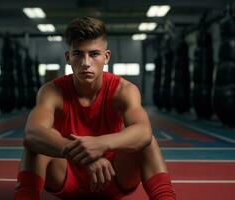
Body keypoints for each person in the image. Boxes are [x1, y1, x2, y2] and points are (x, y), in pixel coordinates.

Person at [14, 17, 176, 200]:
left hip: (113, 177)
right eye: (78, 54)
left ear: (106, 57)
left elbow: (144, 132)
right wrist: (85, 156)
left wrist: (100, 144)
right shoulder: (52, 91)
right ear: (68, 58)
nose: (85, 62)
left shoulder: (124, 90)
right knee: (36, 144)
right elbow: (32, 133)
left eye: (93, 54)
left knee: (147, 142)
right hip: (66, 179)